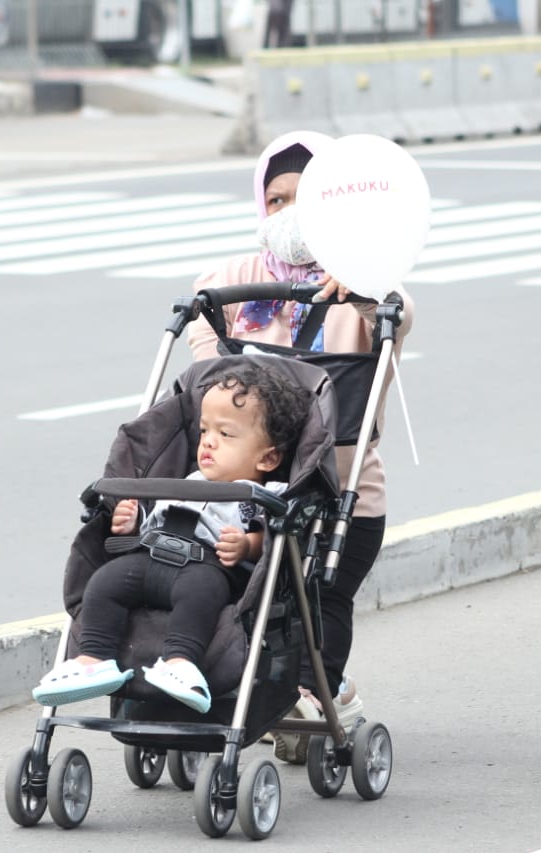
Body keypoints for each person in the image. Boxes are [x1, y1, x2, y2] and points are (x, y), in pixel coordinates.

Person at [189, 130, 415, 761]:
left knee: (321, 595)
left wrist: (366, 287)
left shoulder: (367, 285)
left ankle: (320, 692)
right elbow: (200, 389)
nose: (289, 214)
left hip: (341, 497)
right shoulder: (229, 282)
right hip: (247, 497)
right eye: (277, 199)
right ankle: (246, 690)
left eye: (305, 199)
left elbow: (399, 314)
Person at [31, 362, 310, 713]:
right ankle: (93, 659)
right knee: (103, 582)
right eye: (205, 429)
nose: (208, 441)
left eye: (225, 435)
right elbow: (155, 521)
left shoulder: (259, 493)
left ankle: (179, 663)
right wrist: (131, 522)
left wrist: (246, 545)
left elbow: (268, 537)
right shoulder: (186, 480)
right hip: (149, 555)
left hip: (205, 567)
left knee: (200, 597)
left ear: (267, 458)